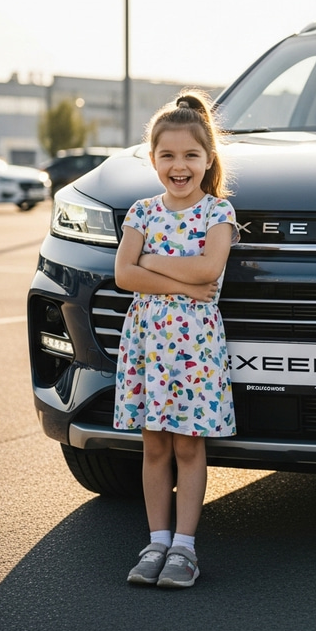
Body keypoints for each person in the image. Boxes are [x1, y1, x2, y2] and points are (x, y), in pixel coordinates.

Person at [113, 90, 238, 589]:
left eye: (190, 155)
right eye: (167, 155)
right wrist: (176, 279)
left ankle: (184, 548)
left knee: (188, 446)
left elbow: (209, 270)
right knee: (153, 446)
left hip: (193, 350)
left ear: (208, 160)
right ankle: (156, 541)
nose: (179, 165)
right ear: (153, 159)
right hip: (147, 344)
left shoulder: (217, 214)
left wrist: (151, 263)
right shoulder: (141, 211)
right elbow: (124, 275)